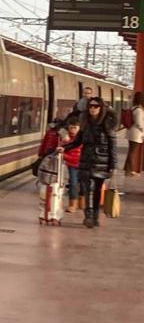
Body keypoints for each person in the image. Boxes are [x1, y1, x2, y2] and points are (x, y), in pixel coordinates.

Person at [55, 97, 116, 228]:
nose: (92, 109)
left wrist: (113, 165)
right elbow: (78, 141)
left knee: (97, 190)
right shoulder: (85, 122)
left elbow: (113, 146)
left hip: (102, 162)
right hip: (86, 160)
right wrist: (65, 147)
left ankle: (95, 217)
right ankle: (88, 216)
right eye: (90, 106)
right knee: (88, 188)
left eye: (96, 106)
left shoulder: (107, 124)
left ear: (101, 108)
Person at [61, 120, 81, 212]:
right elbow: (63, 150)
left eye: (75, 128)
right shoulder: (66, 139)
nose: (73, 130)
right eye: (71, 128)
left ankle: (81, 203)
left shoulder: (82, 138)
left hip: (82, 164)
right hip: (72, 164)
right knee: (73, 183)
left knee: (83, 184)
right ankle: (72, 204)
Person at [124, 91, 144, 177]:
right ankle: (131, 171)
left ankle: (127, 169)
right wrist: (143, 129)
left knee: (130, 151)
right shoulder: (139, 110)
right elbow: (139, 122)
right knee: (132, 152)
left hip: (131, 132)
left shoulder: (133, 108)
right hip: (136, 133)